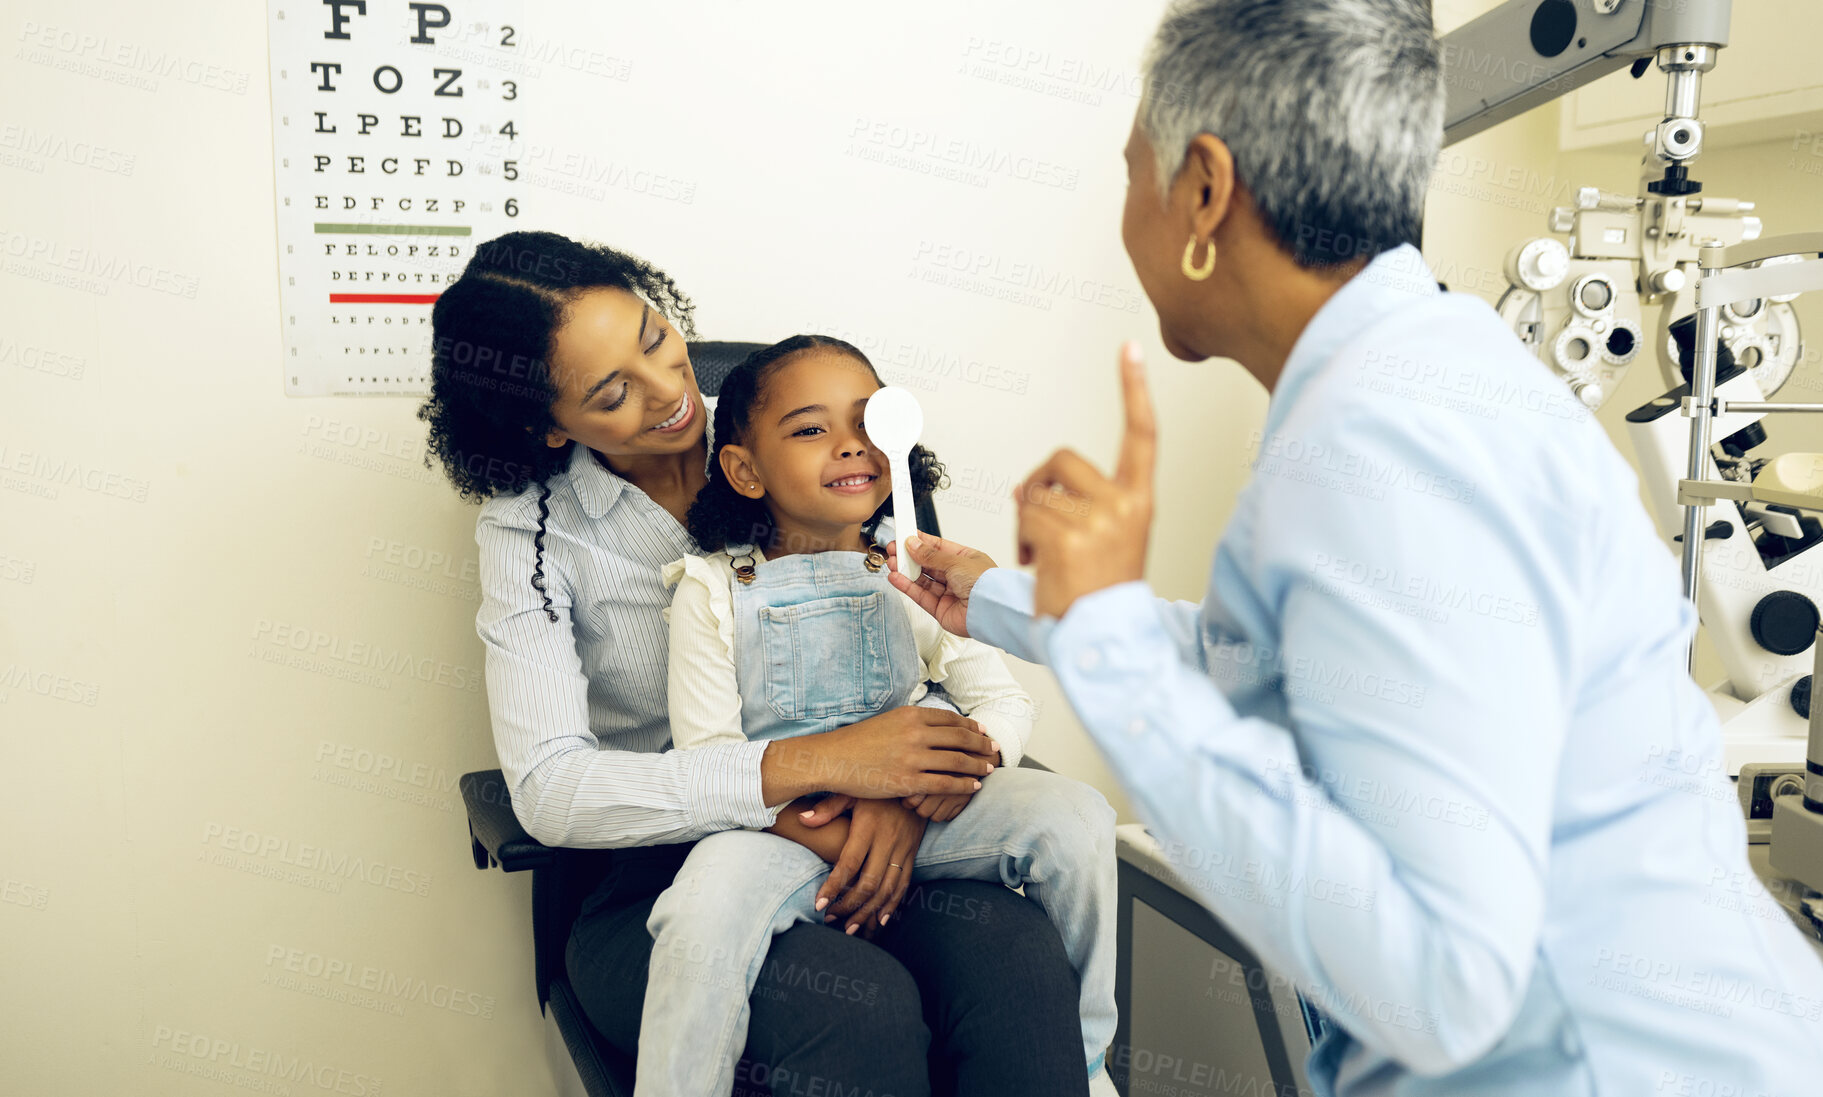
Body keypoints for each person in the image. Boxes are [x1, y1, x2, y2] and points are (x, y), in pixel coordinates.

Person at [887, 1, 1823, 1095]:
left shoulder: (1374, 445)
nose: (1124, 208)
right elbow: (1303, 660)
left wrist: (1110, 647)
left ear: (1202, 189)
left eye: (1130, 170)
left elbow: (1438, 986)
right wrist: (1020, 605)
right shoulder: (1418, 370)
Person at [419, 230, 1094, 1096]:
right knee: (855, 1005)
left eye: (655, 337)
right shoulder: (531, 532)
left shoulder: (801, 425)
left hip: (897, 825)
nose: (669, 394)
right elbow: (550, 787)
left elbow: (936, 647)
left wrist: (904, 792)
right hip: (665, 875)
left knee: (1019, 958)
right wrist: (812, 776)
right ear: (545, 425)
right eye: (613, 391)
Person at [635, 335, 1118, 1096]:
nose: (850, 445)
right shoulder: (710, 589)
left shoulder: (915, 568)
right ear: (744, 469)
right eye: (809, 429)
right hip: (779, 830)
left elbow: (999, 699)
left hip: (921, 813)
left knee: (1081, 819)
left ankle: (1087, 1065)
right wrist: (836, 823)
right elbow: (709, 762)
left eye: (867, 422)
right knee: (696, 918)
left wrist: (956, 775)